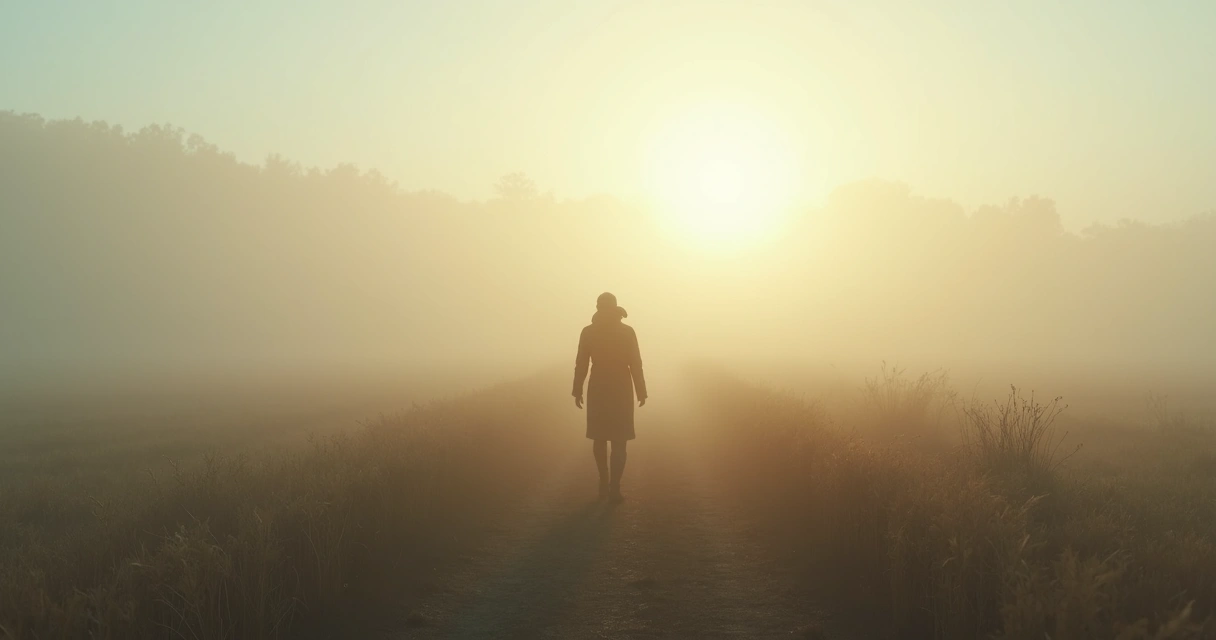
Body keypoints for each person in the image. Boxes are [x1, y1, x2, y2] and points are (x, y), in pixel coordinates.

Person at [572, 292, 647, 502]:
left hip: (598, 386)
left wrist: (577, 388)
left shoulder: (588, 332)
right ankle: (614, 486)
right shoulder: (627, 331)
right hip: (621, 387)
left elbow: (581, 364)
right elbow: (636, 363)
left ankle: (604, 482)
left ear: (598, 307)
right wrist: (641, 390)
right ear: (615, 308)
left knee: (599, 437)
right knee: (619, 440)